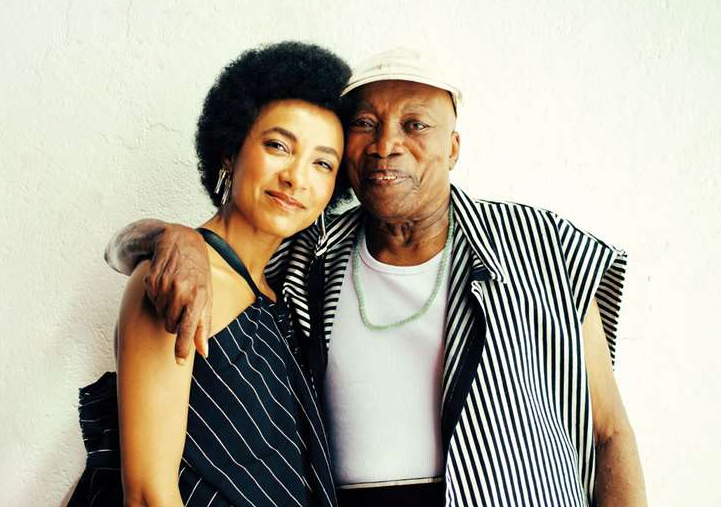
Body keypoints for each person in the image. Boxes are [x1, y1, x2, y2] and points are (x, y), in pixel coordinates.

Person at [105, 48, 647, 506]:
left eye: (415, 124)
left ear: (453, 147)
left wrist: (170, 239)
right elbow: (221, 248)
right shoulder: (312, 253)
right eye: (366, 124)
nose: (387, 143)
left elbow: (610, 432)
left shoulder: (541, 245)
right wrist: (169, 237)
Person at [69, 41, 352, 507]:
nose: (296, 177)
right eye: (279, 145)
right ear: (229, 151)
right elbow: (147, 493)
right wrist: (169, 239)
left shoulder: (289, 293)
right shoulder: (174, 279)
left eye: (322, 163)